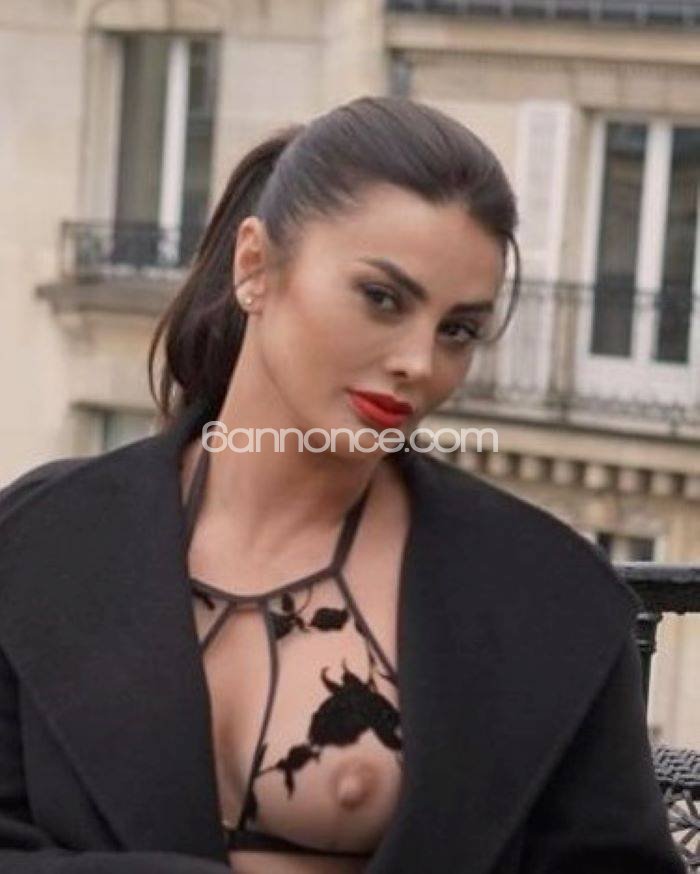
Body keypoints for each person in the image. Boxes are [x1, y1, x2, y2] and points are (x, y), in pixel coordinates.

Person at [0, 96, 684, 874]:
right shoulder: (41, 540)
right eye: (382, 299)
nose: (419, 362)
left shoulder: (548, 598)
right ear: (255, 266)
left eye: (458, 330)